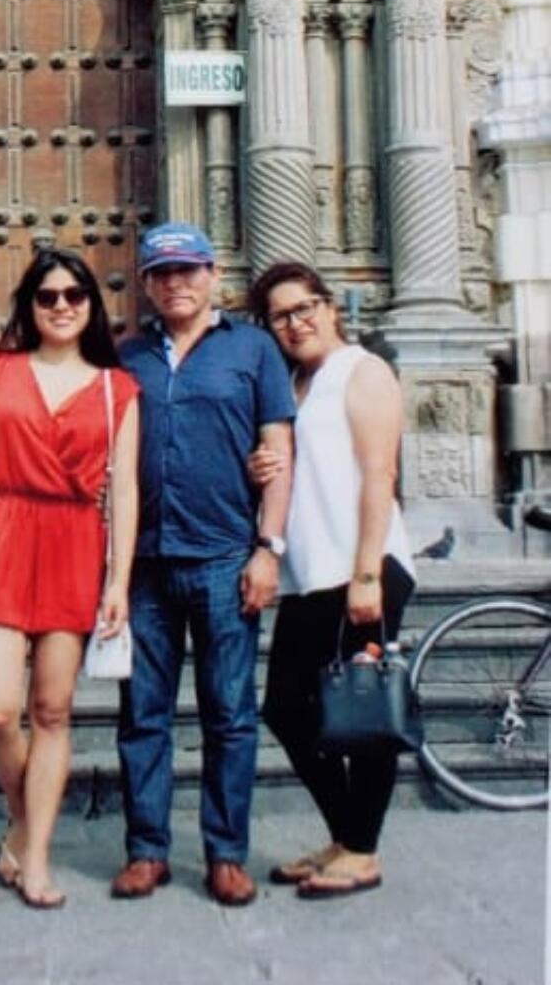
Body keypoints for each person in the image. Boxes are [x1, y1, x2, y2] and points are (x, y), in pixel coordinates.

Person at [113, 222, 295, 908]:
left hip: (225, 559)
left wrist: (267, 549)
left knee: (230, 715)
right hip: (145, 566)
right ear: (148, 283)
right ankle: (146, 849)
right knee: (143, 715)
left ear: (213, 274)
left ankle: (225, 853)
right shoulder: (128, 357)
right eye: (162, 273)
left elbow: (278, 451)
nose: (175, 283)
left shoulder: (252, 350)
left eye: (188, 270)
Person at [0, 249, 138, 910]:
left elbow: (124, 491)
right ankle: (22, 820)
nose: (61, 305)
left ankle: (35, 855)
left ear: (92, 305)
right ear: (30, 306)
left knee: (52, 711)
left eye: (74, 295)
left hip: (74, 543)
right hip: (2, 533)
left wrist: (118, 580)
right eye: (47, 296)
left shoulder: (115, 388)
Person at [249, 261, 415, 900]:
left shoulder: (362, 371)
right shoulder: (294, 384)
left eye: (305, 307)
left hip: (361, 569)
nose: (296, 322)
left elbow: (379, 476)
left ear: (330, 306)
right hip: (311, 575)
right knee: (287, 709)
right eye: (281, 316)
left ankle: (362, 849)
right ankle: (346, 836)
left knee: (366, 711)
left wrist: (368, 573)